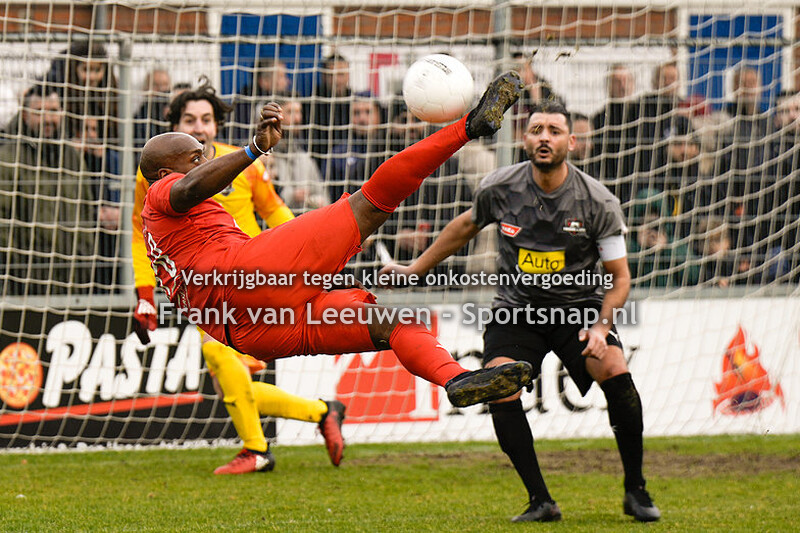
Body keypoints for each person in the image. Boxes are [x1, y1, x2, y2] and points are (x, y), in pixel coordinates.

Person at [137, 72, 534, 442]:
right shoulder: (159, 191)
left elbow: (268, 210)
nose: (204, 159)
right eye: (196, 158)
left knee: (390, 324)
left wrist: (316, 256)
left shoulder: (164, 220)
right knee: (371, 201)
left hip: (251, 331)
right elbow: (188, 189)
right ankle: (468, 127)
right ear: (164, 173)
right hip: (244, 275)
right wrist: (254, 148)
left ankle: (456, 378)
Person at [381, 100, 661, 522]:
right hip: (517, 310)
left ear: (571, 142)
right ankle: (540, 501)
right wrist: (415, 269)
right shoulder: (500, 187)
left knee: (615, 369)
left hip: (577, 310)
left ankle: (636, 490)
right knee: (500, 384)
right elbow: (465, 225)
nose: (544, 137)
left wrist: (602, 328)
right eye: (536, 130)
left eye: (554, 130)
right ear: (524, 139)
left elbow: (620, 278)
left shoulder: (597, 201)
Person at [131, 79, 347, 474]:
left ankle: (256, 450)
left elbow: (275, 211)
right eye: (190, 120)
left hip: (249, 278)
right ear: (176, 126)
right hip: (205, 287)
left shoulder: (244, 162)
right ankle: (322, 412)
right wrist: (145, 293)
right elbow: (140, 234)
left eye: (206, 119)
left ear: (216, 125)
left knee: (219, 357)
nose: (199, 127)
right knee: (230, 384)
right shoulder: (156, 178)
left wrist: (311, 254)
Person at [0, 84, 94, 295]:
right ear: (25, 115)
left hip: (72, 282)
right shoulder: (8, 159)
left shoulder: (72, 158)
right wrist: (17, 269)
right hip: (23, 285)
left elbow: (87, 212)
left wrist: (84, 259)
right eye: (39, 111)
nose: (48, 119)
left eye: (53, 110)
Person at [230, 58, 291, 145]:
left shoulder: (286, 100)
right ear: (264, 81)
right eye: (282, 77)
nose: (288, 82)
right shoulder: (244, 105)